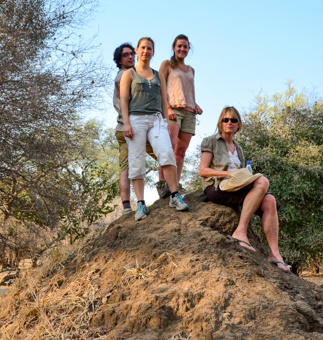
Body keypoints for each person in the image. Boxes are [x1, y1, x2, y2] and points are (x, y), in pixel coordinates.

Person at [199, 106, 290, 271]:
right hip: (217, 187)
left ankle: (275, 255)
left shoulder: (238, 148)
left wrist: (243, 176)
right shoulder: (210, 141)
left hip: (236, 187)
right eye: (225, 120)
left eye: (233, 120)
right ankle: (240, 232)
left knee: (270, 200)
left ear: (238, 125)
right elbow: (203, 171)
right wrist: (229, 174)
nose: (229, 123)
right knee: (263, 181)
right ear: (220, 123)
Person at [120, 37, 189, 221]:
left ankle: (175, 195)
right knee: (136, 160)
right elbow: (124, 101)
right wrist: (126, 123)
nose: (146, 51)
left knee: (166, 153)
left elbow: (163, 101)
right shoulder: (130, 74)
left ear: (153, 52)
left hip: (157, 119)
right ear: (137, 50)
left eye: (149, 48)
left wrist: (166, 123)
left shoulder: (158, 75)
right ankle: (141, 203)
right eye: (143, 48)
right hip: (136, 119)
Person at [113, 42, 157, 214]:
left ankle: (126, 207)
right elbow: (128, 103)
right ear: (119, 59)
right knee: (163, 153)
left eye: (132, 53)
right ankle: (168, 189)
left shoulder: (130, 74)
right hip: (131, 127)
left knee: (126, 167)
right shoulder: (125, 76)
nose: (130, 56)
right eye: (126, 55)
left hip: (124, 127)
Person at [157, 34, 203, 197]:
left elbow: (187, 89)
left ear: (188, 49)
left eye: (185, 46)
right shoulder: (167, 65)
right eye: (179, 46)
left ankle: (175, 184)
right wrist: (167, 107)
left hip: (189, 112)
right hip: (173, 110)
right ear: (174, 47)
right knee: (168, 146)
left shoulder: (191, 70)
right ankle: (163, 184)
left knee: (181, 151)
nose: (182, 49)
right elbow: (159, 86)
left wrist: (195, 104)